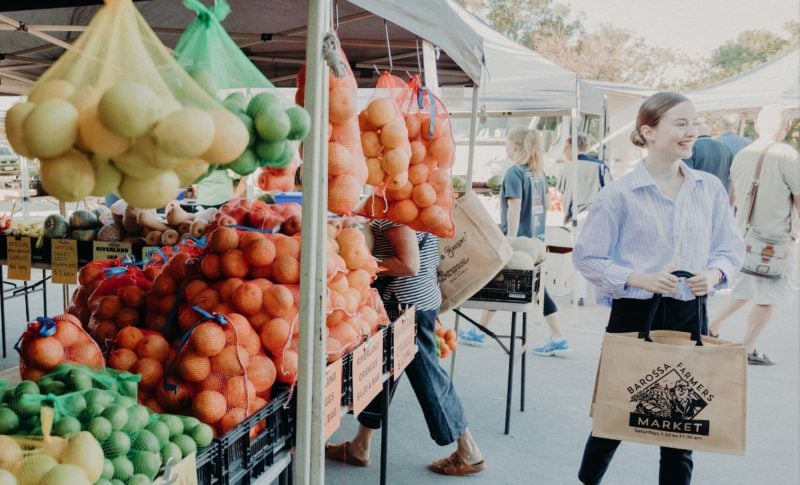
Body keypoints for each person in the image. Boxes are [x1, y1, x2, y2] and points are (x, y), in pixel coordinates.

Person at [573, 91, 745, 485]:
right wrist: (637, 277)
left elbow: (731, 250)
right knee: (614, 416)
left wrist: (714, 274)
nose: (692, 132)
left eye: (694, 123)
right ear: (648, 132)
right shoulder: (619, 194)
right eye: (680, 123)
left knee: (680, 429)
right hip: (633, 314)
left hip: (689, 314)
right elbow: (587, 258)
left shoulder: (709, 189)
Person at [325, 219, 486, 476]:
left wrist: (365, 266)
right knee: (381, 373)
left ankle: (469, 450)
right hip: (415, 302)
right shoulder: (408, 202)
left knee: (429, 379)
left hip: (406, 307)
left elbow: (410, 264)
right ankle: (360, 445)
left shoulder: (395, 211)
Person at [459, 127, 570, 357]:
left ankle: (558, 337)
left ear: (516, 147)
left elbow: (514, 207)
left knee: (503, 282)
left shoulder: (514, 173)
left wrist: (510, 237)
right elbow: (547, 205)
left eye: (508, 144)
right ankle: (482, 330)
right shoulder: (537, 173)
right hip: (535, 239)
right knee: (519, 286)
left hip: (519, 241)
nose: (506, 148)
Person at [709, 104, 800, 366]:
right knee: (769, 295)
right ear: (786, 127)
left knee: (746, 286)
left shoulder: (743, 154)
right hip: (775, 239)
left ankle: (710, 326)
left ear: (758, 127)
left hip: (744, 234)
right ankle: (747, 348)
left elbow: (734, 197)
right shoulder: (787, 155)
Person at [558, 134, 612, 305]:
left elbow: (560, 190)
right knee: (600, 254)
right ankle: (606, 290)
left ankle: (579, 295)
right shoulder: (601, 166)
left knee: (579, 254)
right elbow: (610, 190)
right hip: (598, 215)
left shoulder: (567, 168)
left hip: (577, 216)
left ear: (571, 147)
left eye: (565, 148)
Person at [683, 116, 735, 191]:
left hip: (698, 195)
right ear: (709, 128)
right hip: (721, 195)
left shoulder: (690, 148)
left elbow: (686, 176)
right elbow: (732, 175)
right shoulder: (724, 147)